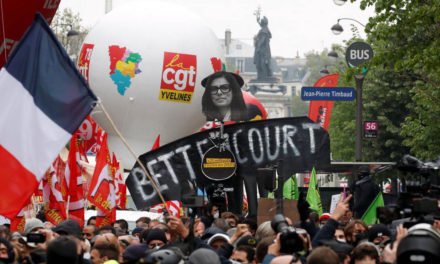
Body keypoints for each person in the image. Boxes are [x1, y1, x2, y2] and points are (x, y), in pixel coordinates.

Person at [253, 15, 273, 80]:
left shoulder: (264, 30)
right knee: (260, 64)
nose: (260, 24)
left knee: (262, 63)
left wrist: (258, 47)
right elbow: (261, 26)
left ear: (263, 23)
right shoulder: (265, 29)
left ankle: (263, 76)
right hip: (262, 50)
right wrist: (258, 20)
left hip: (263, 51)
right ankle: (262, 76)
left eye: (261, 22)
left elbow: (262, 40)